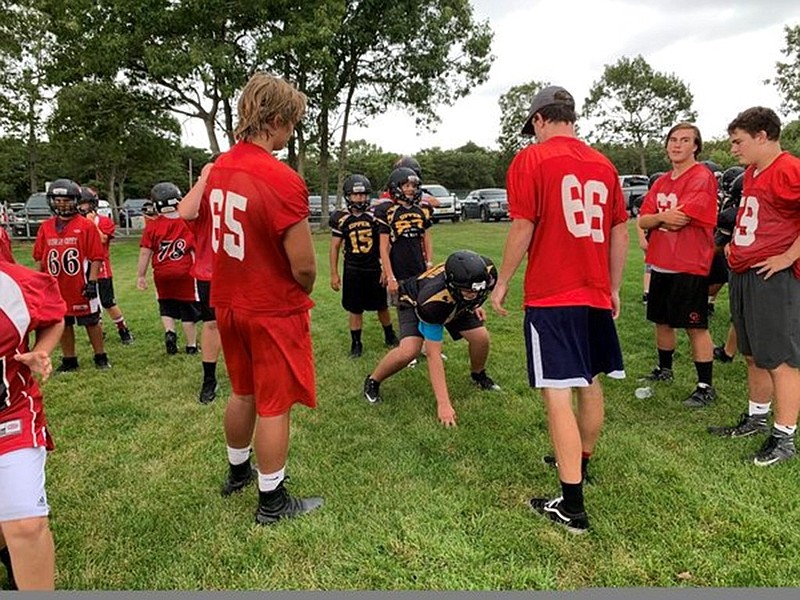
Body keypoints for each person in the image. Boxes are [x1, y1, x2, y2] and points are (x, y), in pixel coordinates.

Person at [490, 85, 628, 534]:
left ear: (538, 120)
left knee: (557, 394)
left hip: (554, 295)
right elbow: (619, 231)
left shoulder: (532, 159)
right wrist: (613, 287)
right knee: (589, 381)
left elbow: (523, 223)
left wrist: (505, 279)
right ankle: (581, 462)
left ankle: (572, 505)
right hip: (593, 292)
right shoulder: (604, 164)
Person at [204, 72, 322, 524]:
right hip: (270, 306)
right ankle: (271, 500)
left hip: (228, 300)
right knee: (275, 403)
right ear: (274, 120)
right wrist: (303, 287)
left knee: (242, 392)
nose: (291, 133)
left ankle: (237, 472)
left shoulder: (219, 167)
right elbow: (305, 266)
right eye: (290, 123)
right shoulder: (280, 177)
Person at [707, 107, 800, 466]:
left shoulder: (788, 169)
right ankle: (757, 418)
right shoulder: (753, 171)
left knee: (780, 359)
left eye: (738, 141)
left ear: (762, 136)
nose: (733, 149)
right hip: (746, 271)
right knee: (753, 354)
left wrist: (788, 257)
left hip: (772, 276)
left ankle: (784, 437)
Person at [363, 250, 501, 426]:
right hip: (414, 301)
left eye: (477, 291)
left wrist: (473, 305)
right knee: (409, 351)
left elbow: (475, 290)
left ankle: (478, 374)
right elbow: (433, 354)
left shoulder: (486, 271)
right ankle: (373, 380)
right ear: (452, 285)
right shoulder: (432, 301)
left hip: (455, 301)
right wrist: (444, 404)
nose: (474, 294)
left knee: (481, 338)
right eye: (468, 292)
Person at [637, 123, 718, 408]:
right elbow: (643, 219)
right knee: (662, 320)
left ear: (696, 146)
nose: (677, 145)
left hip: (689, 263)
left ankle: (705, 385)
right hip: (661, 261)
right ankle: (664, 369)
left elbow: (680, 217)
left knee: (695, 326)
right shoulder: (661, 182)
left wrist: (658, 218)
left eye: (685, 140)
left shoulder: (701, 176)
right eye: (673, 139)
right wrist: (660, 218)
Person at [0, 260, 66, 590]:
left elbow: (54, 319)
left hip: (9, 415)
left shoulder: (13, 283)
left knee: (25, 524)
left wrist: (40, 352)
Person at [32, 179, 109, 371]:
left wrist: (92, 281)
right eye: (57, 200)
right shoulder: (46, 227)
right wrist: (38, 282)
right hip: (56, 286)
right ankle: (69, 359)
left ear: (75, 200)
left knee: (91, 321)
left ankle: (100, 356)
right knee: (62, 322)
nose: (61, 204)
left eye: (66, 200)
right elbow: (40, 257)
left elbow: (96, 256)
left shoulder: (86, 226)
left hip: (80, 283)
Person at [329, 174, 399, 358]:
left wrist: (385, 267)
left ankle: (390, 335)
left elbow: (386, 244)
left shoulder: (375, 215)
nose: (360, 199)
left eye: (363, 195)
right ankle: (356, 343)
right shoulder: (341, 218)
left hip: (374, 267)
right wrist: (334, 273)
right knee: (355, 308)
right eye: (355, 195)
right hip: (353, 269)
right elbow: (335, 247)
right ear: (348, 196)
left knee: (381, 305)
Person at [178, 155, 224, 404]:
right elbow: (185, 211)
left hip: (241, 271)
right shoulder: (205, 198)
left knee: (245, 324)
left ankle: (250, 373)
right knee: (212, 324)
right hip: (210, 270)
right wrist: (205, 177)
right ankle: (209, 378)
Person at [136, 182, 200, 355]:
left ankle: (170, 332)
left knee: (166, 305)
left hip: (162, 273)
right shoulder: (187, 222)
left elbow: (144, 253)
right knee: (188, 310)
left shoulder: (152, 226)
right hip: (185, 272)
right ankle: (191, 345)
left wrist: (141, 275)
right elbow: (196, 249)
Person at [76, 187, 134, 345]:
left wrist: (91, 224)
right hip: (85, 269)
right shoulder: (76, 223)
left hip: (102, 270)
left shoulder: (103, 221)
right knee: (92, 303)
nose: (81, 208)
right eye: (79, 204)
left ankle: (123, 329)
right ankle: (98, 332)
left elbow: (102, 239)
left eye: (85, 204)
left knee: (108, 302)